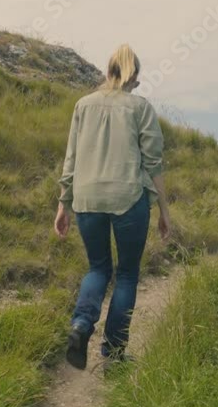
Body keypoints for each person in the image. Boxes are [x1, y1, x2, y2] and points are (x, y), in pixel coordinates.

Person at [53, 43, 172, 370]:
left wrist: (63, 204)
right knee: (127, 274)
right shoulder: (140, 107)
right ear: (134, 76)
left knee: (98, 269)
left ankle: (81, 325)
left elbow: (71, 159)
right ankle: (114, 353)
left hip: (86, 198)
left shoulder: (83, 105)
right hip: (128, 198)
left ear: (108, 71)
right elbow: (153, 162)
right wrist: (164, 210)